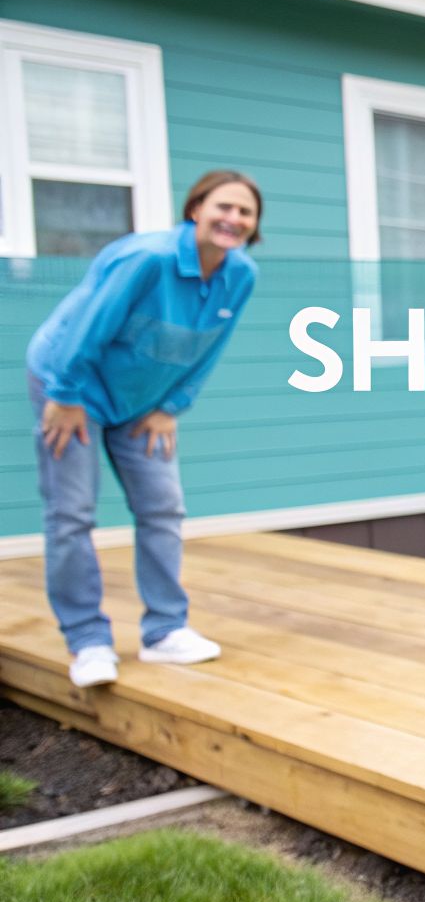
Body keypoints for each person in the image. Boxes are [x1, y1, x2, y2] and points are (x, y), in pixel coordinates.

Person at [28, 170, 262, 689]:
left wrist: (173, 405)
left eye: (246, 213)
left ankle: (165, 631)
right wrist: (64, 393)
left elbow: (211, 347)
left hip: (144, 400)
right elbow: (90, 324)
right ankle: (87, 640)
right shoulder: (149, 259)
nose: (234, 219)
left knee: (162, 506)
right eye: (224, 206)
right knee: (71, 513)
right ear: (196, 208)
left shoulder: (241, 274)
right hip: (73, 385)